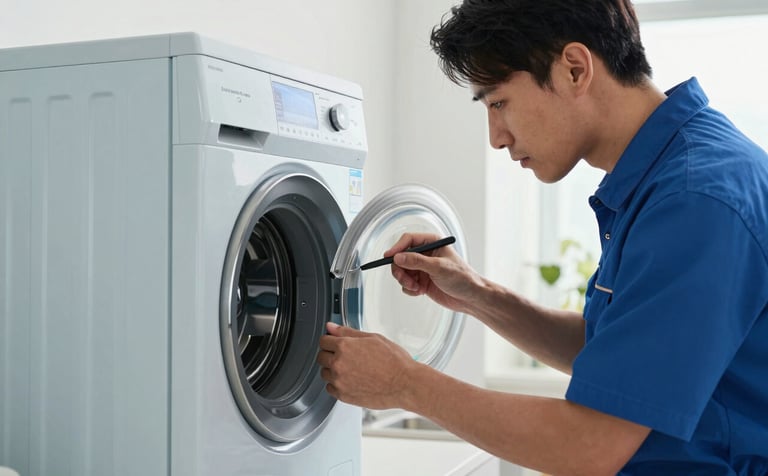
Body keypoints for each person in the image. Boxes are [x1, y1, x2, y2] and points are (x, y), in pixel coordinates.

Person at [316, 0, 768, 474]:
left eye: (498, 102)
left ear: (575, 69)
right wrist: (478, 294)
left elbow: (590, 444)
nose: (496, 137)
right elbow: (617, 359)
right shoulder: (668, 177)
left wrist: (405, 384)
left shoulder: (696, 200)